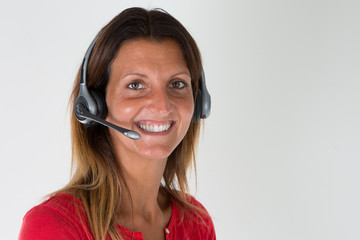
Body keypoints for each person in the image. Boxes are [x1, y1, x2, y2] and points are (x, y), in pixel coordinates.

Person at [19, 7, 215, 240]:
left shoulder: (196, 223)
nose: (162, 107)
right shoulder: (56, 225)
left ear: (198, 102)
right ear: (96, 104)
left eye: (177, 84)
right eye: (135, 85)